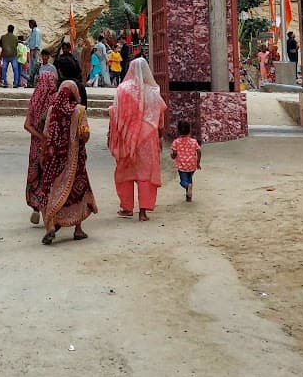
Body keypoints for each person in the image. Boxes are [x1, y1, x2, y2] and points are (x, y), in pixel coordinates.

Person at [38, 80, 96, 245]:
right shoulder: (79, 111)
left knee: (53, 190)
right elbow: (85, 134)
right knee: (78, 191)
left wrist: (43, 155)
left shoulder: (51, 110)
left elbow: (46, 134)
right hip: (75, 159)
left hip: (54, 159)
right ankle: (77, 229)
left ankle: (50, 227)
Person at [108, 57, 165, 221]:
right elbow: (159, 117)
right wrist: (159, 136)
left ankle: (126, 208)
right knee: (145, 173)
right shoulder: (153, 92)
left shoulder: (122, 90)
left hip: (127, 138)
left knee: (125, 171)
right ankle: (143, 212)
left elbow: (115, 113)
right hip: (148, 138)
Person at [23, 70, 60, 225]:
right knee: (50, 177)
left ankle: (36, 208)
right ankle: (51, 211)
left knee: (36, 175)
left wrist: (38, 137)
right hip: (50, 146)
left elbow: (26, 125)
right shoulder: (55, 100)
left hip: (35, 146)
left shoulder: (34, 100)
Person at [171, 119, 202, 202]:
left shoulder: (176, 142)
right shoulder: (194, 141)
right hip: (192, 164)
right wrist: (198, 162)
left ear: (178, 130)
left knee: (183, 181)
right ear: (189, 130)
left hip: (182, 165)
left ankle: (187, 187)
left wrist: (173, 156)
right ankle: (189, 197)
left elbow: (174, 153)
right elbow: (199, 151)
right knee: (189, 179)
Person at [0, 24, 21, 88]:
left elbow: (0, 44)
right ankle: (15, 83)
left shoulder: (3, 37)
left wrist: (5, 47)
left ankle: (5, 82)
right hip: (13, 55)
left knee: (4, 69)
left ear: (7, 29)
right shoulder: (15, 37)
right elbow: (16, 45)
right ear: (13, 30)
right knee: (15, 69)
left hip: (5, 55)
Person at [25, 19, 43, 85]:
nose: (29, 25)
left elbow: (37, 41)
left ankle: (36, 81)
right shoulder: (33, 31)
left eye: (30, 24)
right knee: (32, 66)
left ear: (32, 24)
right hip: (32, 50)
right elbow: (28, 41)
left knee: (35, 65)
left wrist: (35, 50)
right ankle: (32, 81)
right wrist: (22, 42)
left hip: (35, 50)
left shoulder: (36, 31)